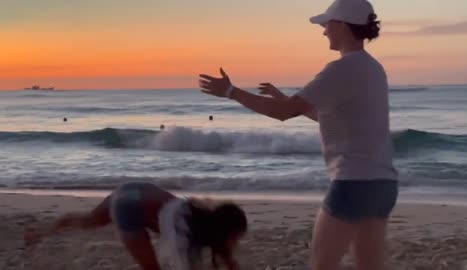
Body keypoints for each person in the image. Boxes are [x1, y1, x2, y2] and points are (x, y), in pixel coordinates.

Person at [198, 0, 398, 269]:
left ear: (340, 25)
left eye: (327, 24)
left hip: (353, 184)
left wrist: (231, 92)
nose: (324, 31)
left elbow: (282, 113)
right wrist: (289, 100)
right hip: (383, 185)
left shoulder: (340, 69)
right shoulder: (374, 69)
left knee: (321, 264)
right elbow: (332, 118)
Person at [24, 182, 247, 270]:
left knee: (89, 220)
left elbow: (229, 259)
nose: (237, 241)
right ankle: (41, 233)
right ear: (225, 231)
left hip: (132, 188)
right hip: (128, 208)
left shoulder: (200, 216)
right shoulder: (185, 233)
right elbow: (181, 264)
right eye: (237, 236)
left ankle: (40, 233)